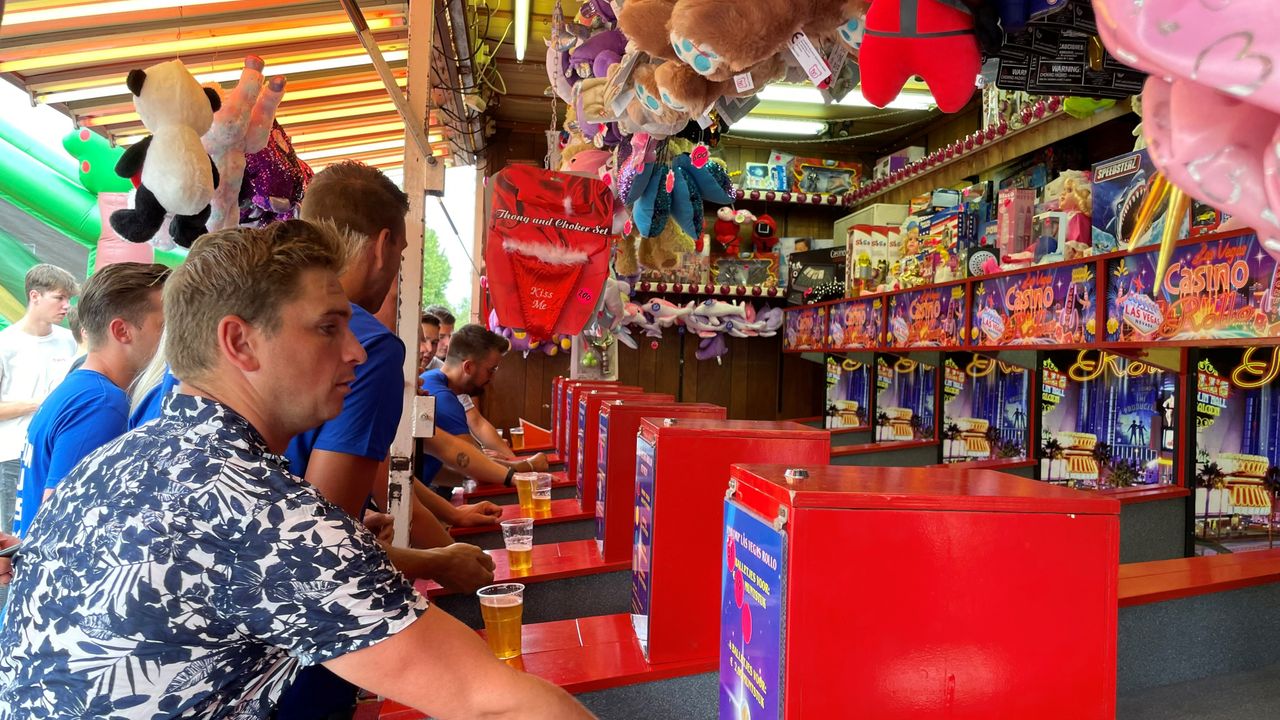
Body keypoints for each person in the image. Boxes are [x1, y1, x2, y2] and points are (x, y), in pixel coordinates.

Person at [0, 220, 594, 720]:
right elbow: (490, 702)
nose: (356, 351)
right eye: (327, 327)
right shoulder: (257, 507)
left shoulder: (113, 460)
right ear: (240, 343)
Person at [279, 162, 499, 719]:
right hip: (293, 650)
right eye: (402, 253)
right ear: (382, 246)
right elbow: (318, 542)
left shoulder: (235, 336)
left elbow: (361, 479)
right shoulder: (370, 346)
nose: (343, 353)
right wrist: (435, 562)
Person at [12, 262, 169, 538]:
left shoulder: (79, 388)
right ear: (122, 331)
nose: (172, 338)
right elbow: (62, 520)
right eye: (164, 325)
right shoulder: (103, 404)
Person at [0, 264, 78, 559]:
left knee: (55, 533)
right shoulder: (6, 343)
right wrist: (44, 405)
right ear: (35, 296)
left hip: (58, 452)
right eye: (59, 298)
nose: (66, 305)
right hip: (13, 455)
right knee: (16, 540)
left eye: (68, 298)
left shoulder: (70, 341)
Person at [419, 324, 544, 494]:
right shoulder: (443, 399)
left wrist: (487, 465)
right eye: (490, 370)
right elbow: (478, 468)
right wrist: (528, 465)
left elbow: (428, 469)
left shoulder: (431, 379)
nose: (492, 378)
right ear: (468, 367)